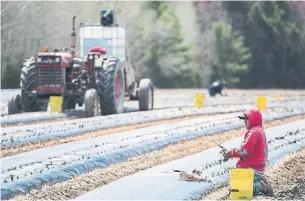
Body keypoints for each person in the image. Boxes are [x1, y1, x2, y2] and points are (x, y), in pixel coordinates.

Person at [222, 108, 274, 197]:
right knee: (235, 188)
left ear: (253, 119)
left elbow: (244, 151)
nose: (244, 121)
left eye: (246, 119)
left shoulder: (254, 132)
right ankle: (259, 182)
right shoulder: (259, 130)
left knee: (236, 189)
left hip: (250, 169)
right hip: (257, 168)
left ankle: (260, 186)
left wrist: (230, 153)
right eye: (244, 119)